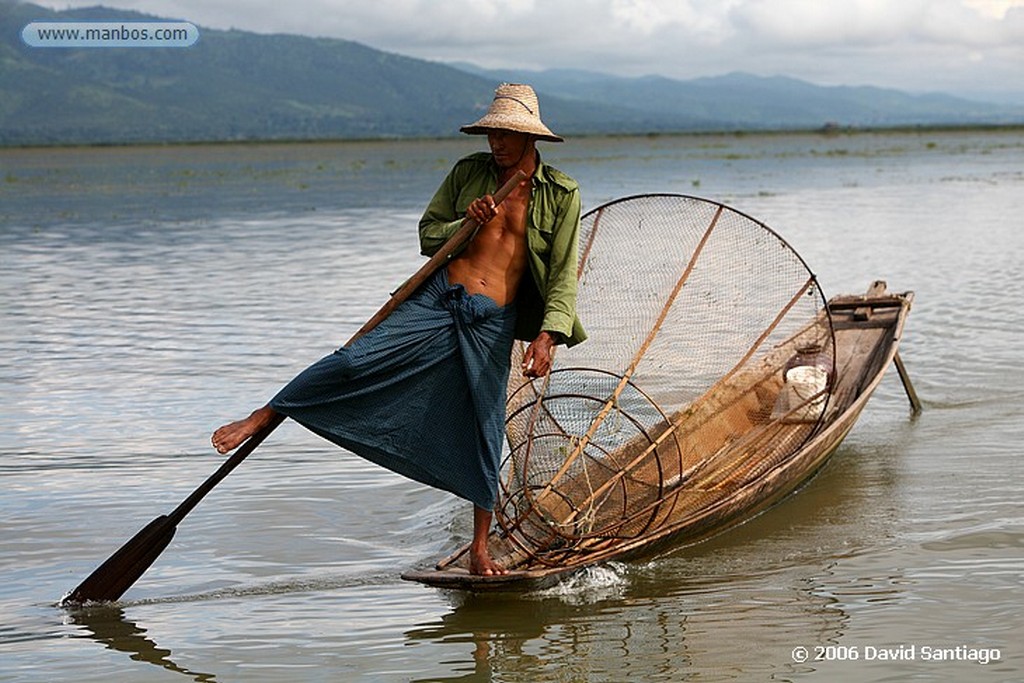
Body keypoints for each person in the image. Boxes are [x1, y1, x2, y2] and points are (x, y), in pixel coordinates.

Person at [211, 83, 586, 576]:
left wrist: (548, 335)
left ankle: (479, 547)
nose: (496, 143)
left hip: (493, 320)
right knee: (353, 361)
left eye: (507, 134)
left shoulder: (560, 195)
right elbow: (428, 233)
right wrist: (463, 223)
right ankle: (268, 412)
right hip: (437, 300)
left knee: (485, 424)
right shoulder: (468, 174)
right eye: (492, 132)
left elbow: (561, 273)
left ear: (530, 138)